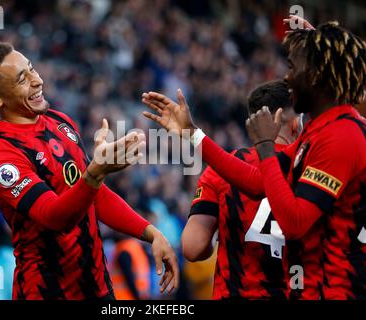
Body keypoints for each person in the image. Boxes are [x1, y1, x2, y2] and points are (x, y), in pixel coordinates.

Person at [142, 22, 365, 299]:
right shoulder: (317, 133)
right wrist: (191, 134)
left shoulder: (341, 136)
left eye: (293, 68)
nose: (287, 78)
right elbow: (258, 182)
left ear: (316, 75)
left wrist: (265, 148)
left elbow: (294, 224)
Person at [0, 43, 179, 300]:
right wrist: (95, 173)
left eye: (32, 69)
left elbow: (95, 196)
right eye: (23, 79)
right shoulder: (1, 155)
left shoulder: (59, 122)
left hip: (98, 288)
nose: (38, 81)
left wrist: (151, 233)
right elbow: (56, 218)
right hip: (47, 292)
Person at [182, 80, 301, 299]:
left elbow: (193, 247)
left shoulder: (220, 168)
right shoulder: (307, 165)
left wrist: (221, 238)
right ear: (294, 123)